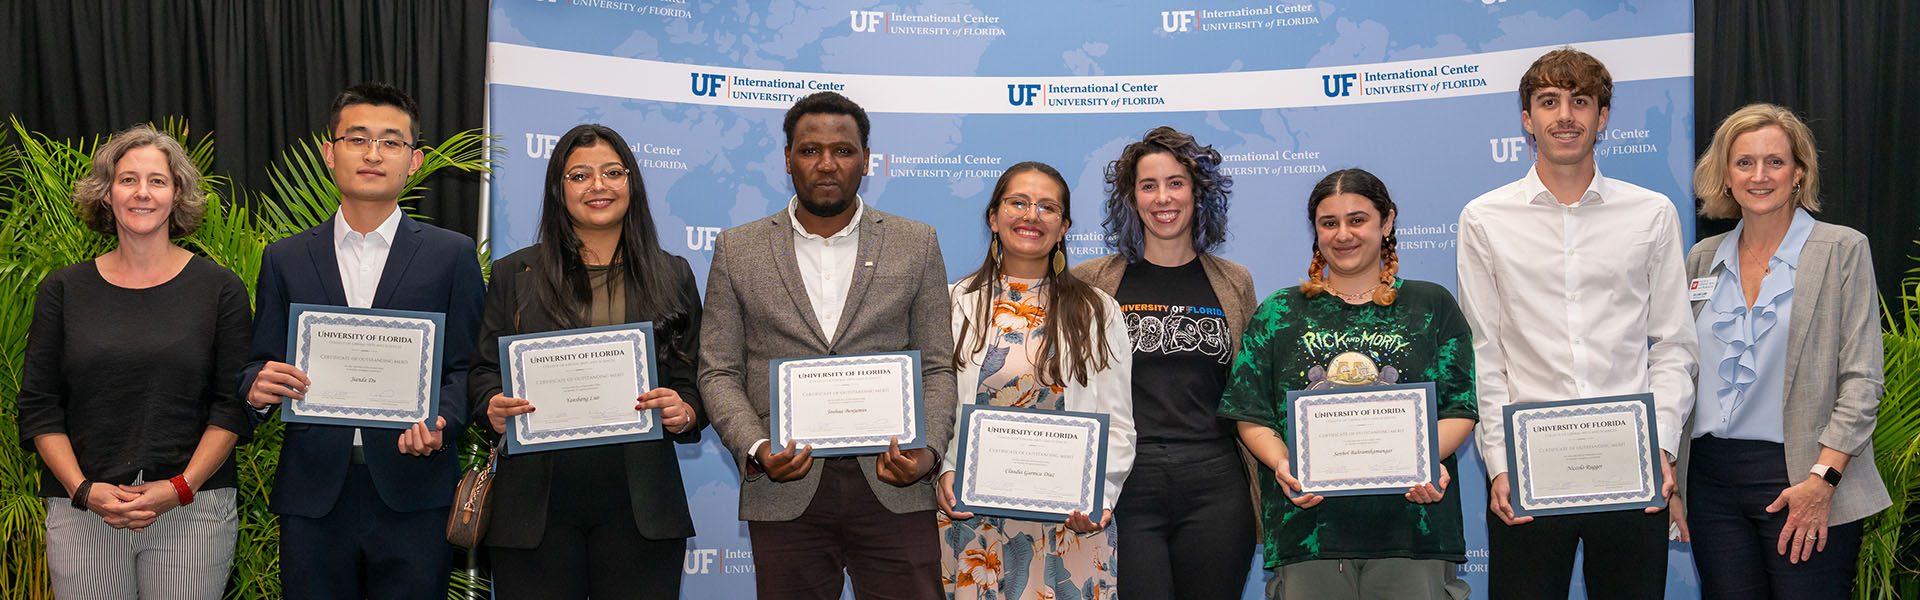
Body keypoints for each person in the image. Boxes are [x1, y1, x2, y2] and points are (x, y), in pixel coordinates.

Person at [1455, 48, 1696, 599]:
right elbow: (1483, 353)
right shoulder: (1484, 218)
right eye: (1549, 101)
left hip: (1632, 470)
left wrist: (1659, 449)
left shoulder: (1652, 213)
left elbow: (1674, 344)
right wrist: (1498, 465)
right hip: (1528, 474)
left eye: (1580, 101)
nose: (1565, 115)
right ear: (1526, 119)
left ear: (1602, 117)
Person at [697, 91, 958, 599]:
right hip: (784, 487)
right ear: (787, 159)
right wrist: (757, 448)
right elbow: (718, 371)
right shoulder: (737, 248)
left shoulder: (917, 241)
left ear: (866, 161)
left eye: (843, 151)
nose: (826, 164)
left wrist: (926, 454)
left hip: (894, 483)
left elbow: (936, 369)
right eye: (810, 150)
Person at [238, 83, 485, 599]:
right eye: (357, 139)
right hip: (313, 494)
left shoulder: (451, 255)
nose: (373, 154)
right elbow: (258, 361)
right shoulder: (284, 258)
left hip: (414, 490)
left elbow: (467, 367)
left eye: (391, 142)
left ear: (414, 161)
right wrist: (257, 388)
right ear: (330, 153)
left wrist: (442, 419)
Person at [468, 124, 706, 598]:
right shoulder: (516, 273)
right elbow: (481, 372)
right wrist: (491, 403)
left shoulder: (672, 272)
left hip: (641, 504)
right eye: (579, 176)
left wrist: (685, 411)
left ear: (631, 183)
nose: (598, 186)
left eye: (612, 172)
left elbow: (696, 379)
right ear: (559, 191)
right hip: (534, 506)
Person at [17, 124, 251, 598]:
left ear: (177, 193)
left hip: (193, 508)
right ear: (106, 194)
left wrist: (180, 488)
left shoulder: (220, 289)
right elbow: (39, 407)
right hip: (83, 507)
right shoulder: (63, 290)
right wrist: (84, 490)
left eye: (157, 181)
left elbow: (232, 405)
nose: (142, 193)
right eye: (127, 180)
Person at [1219, 168, 1477, 599]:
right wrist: (1284, 465)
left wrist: (1425, 458)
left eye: (1357, 220)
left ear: (1387, 222)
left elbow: (1459, 406)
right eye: (1329, 223)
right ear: (1316, 231)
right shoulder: (1279, 312)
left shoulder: (1432, 304)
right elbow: (1250, 412)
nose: (1343, 234)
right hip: (1309, 532)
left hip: (1413, 528)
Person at [1679, 103, 1889, 599]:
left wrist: (1823, 479)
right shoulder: (1702, 259)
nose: (1759, 175)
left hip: (1804, 476)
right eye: (1744, 162)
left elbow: (1862, 380)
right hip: (1711, 482)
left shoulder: (1841, 250)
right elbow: (1681, 370)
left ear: (1799, 172)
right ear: (1725, 176)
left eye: (1775, 161)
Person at [935, 161, 1137, 599]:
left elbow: (1119, 425)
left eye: (1047, 207)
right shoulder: (953, 304)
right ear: (993, 216)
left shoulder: (1098, 311)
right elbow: (938, 408)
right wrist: (945, 472)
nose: (1031, 215)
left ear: (1063, 226)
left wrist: (1099, 496)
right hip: (972, 526)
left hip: (1072, 526)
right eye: (1018, 203)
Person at [1071, 126, 1257, 598]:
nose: (1163, 197)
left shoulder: (1234, 282)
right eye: (1148, 185)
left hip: (1216, 481)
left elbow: (1251, 391)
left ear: (1197, 192)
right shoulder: (1091, 281)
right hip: (1127, 483)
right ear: (1131, 199)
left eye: (1175, 182)